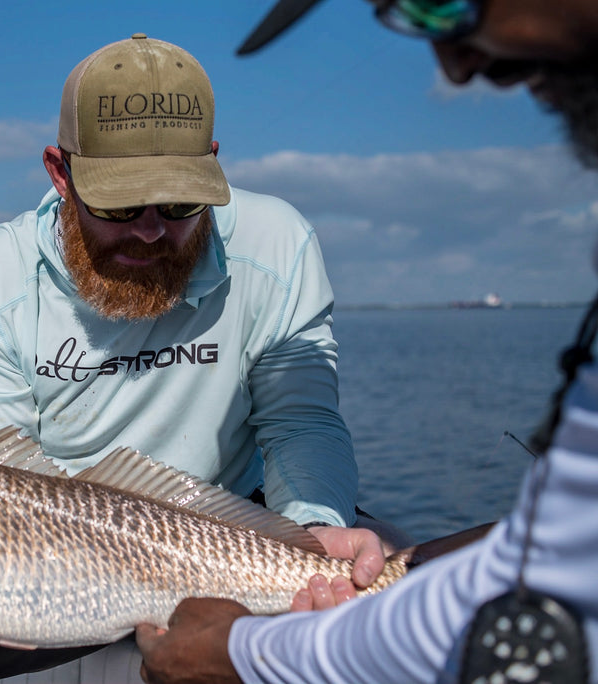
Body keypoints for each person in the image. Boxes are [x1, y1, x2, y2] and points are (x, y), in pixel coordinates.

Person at [0, 32, 405, 684]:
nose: (150, 230)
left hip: (239, 523)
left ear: (212, 163)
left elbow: (301, 420)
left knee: (402, 575)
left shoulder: (276, 241)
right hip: (44, 553)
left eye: (180, 201)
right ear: (58, 173)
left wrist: (310, 531)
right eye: (118, 203)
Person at [135, 1, 598, 683]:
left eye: (440, 2)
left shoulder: (277, 239)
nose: (456, 64)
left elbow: (560, 590)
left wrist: (236, 653)